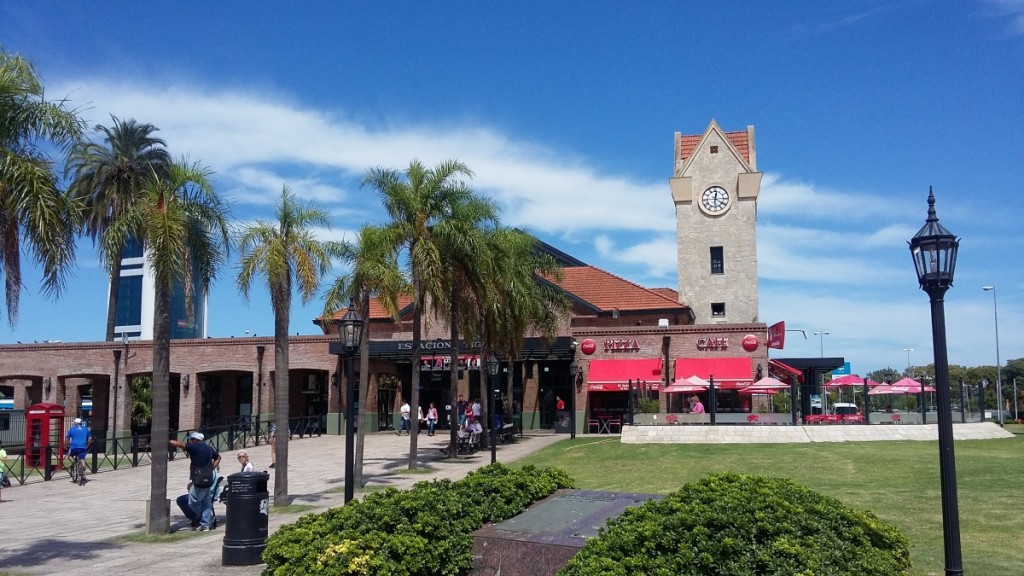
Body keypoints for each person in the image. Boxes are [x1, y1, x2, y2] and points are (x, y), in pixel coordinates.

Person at [169, 432, 221, 531]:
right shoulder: (208, 448)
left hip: (199, 479)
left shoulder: (196, 447)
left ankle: (208, 518)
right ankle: (205, 525)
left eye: (192, 439)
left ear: (197, 440)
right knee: (206, 503)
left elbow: (181, 445)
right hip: (207, 478)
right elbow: (218, 457)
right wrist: (211, 469)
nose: (191, 441)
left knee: (192, 502)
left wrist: (168, 441)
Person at [65, 417, 92, 482]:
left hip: (74, 447)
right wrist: (87, 445)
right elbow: (90, 438)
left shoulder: (72, 429)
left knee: (69, 456)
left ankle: (74, 462)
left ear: (75, 423)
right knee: (82, 459)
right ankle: (84, 475)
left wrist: (66, 445)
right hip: (83, 447)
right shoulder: (85, 429)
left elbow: (66, 439)